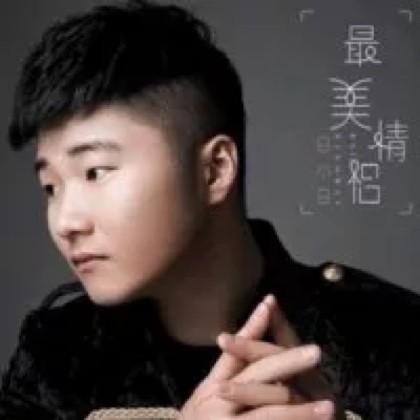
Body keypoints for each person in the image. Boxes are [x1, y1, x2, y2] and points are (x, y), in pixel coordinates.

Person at [1, 1, 419, 419]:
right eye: (50, 187)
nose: (66, 222)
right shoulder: (58, 356)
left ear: (215, 170)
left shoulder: (390, 336)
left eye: (95, 172)